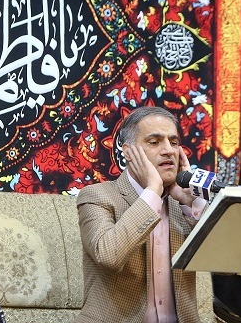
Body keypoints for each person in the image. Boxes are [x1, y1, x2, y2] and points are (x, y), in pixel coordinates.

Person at [75, 106, 208, 323]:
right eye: (155, 142)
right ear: (129, 153)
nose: (169, 151)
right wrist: (153, 191)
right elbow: (109, 256)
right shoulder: (97, 196)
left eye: (174, 142)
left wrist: (191, 202)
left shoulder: (184, 205)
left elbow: (228, 267)